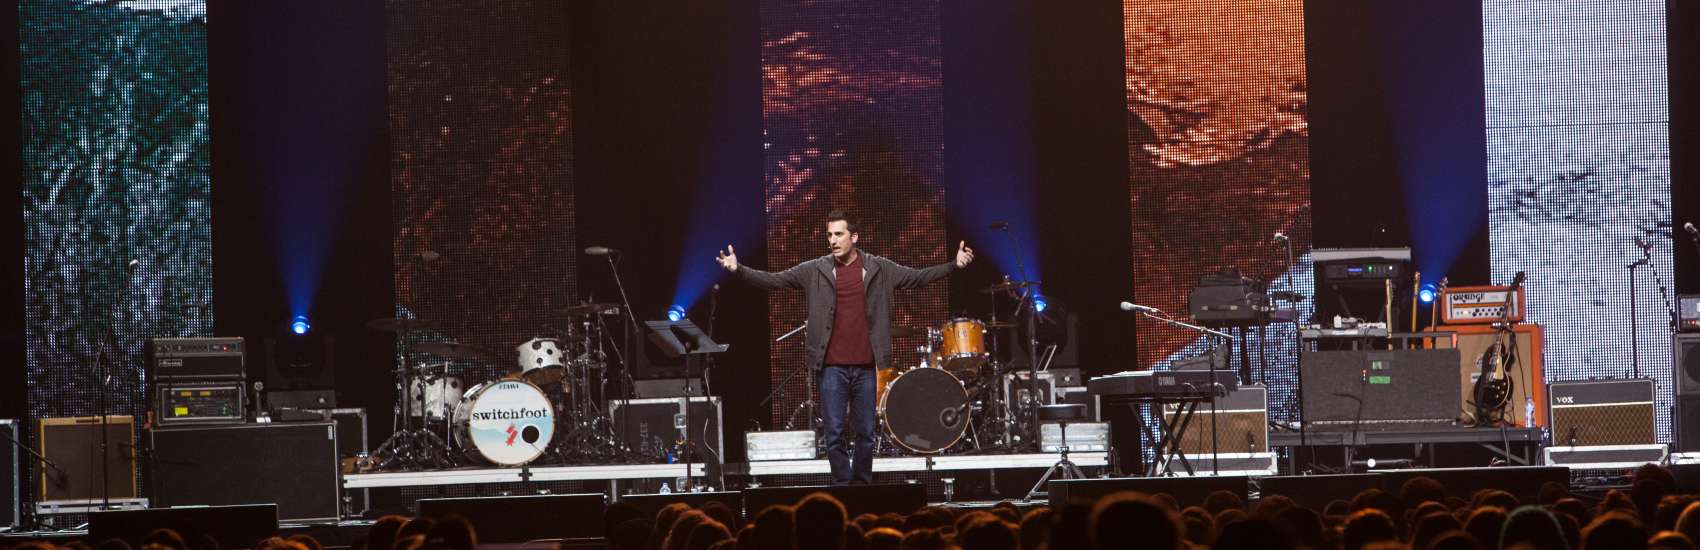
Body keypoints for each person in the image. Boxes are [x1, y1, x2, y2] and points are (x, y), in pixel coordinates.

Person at [718, 209, 973, 484]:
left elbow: (918, 277)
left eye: (839, 234)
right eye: (829, 235)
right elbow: (775, 280)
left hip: (865, 367)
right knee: (834, 434)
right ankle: (842, 486)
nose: (833, 240)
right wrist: (739, 270)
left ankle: (860, 486)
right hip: (831, 368)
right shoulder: (815, 269)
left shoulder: (879, 268)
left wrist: (954, 266)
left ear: (854, 237)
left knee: (865, 433)